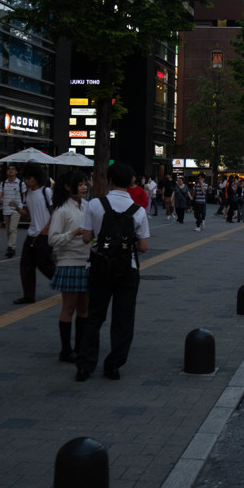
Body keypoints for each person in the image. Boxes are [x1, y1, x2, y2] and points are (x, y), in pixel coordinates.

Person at [75, 162, 150, 382]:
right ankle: (113, 365)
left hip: (99, 266)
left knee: (94, 316)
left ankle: (85, 365)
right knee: (123, 319)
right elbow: (144, 247)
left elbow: (87, 238)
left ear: (109, 181)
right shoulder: (138, 211)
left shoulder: (95, 205)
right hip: (128, 269)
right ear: (132, 183)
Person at [48, 171, 90, 364]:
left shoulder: (87, 206)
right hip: (69, 262)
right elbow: (52, 239)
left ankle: (80, 347)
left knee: (84, 308)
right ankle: (66, 350)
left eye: (85, 183)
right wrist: (72, 233)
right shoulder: (62, 210)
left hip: (87, 262)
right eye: (80, 184)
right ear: (67, 187)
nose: (84, 187)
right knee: (69, 307)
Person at [13, 163, 55, 305]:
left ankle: (63, 282)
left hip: (44, 235)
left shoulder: (46, 192)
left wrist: (47, 229)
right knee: (26, 265)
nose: (25, 181)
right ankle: (28, 296)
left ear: (36, 178)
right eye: (24, 179)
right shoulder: (27, 194)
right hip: (31, 234)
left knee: (45, 264)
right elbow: (28, 215)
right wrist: (17, 208)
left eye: (28, 179)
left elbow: (54, 212)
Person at [0, 163, 24, 258]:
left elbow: (24, 195)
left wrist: (21, 206)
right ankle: (10, 246)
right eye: (9, 169)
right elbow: (0, 195)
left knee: (13, 229)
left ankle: (11, 247)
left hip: (16, 209)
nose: (11, 170)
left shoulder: (20, 183)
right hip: (6, 209)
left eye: (13, 169)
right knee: (8, 230)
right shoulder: (3, 183)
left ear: (16, 172)